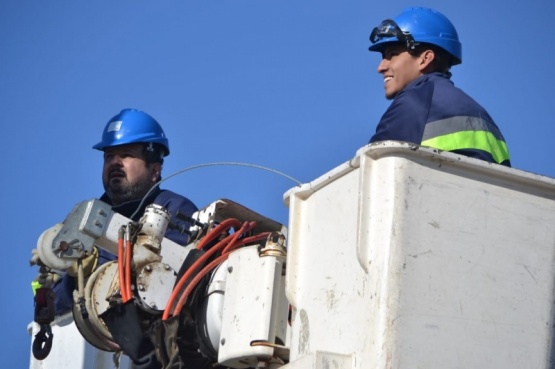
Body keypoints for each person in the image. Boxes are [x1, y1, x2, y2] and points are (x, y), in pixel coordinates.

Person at [51, 108, 198, 315]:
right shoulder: (87, 220)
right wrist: (76, 276)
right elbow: (50, 304)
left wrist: (97, 269)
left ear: (155, 171)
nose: (115, 163)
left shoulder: (174, 209)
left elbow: (172, 279)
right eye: (109, 156)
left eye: (126, 155)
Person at [367, 7, 511, 167]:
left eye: (392, 54)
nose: (381, 67)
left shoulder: (415, 102)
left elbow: (376, 170)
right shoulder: (483, 117)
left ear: (425, 59)